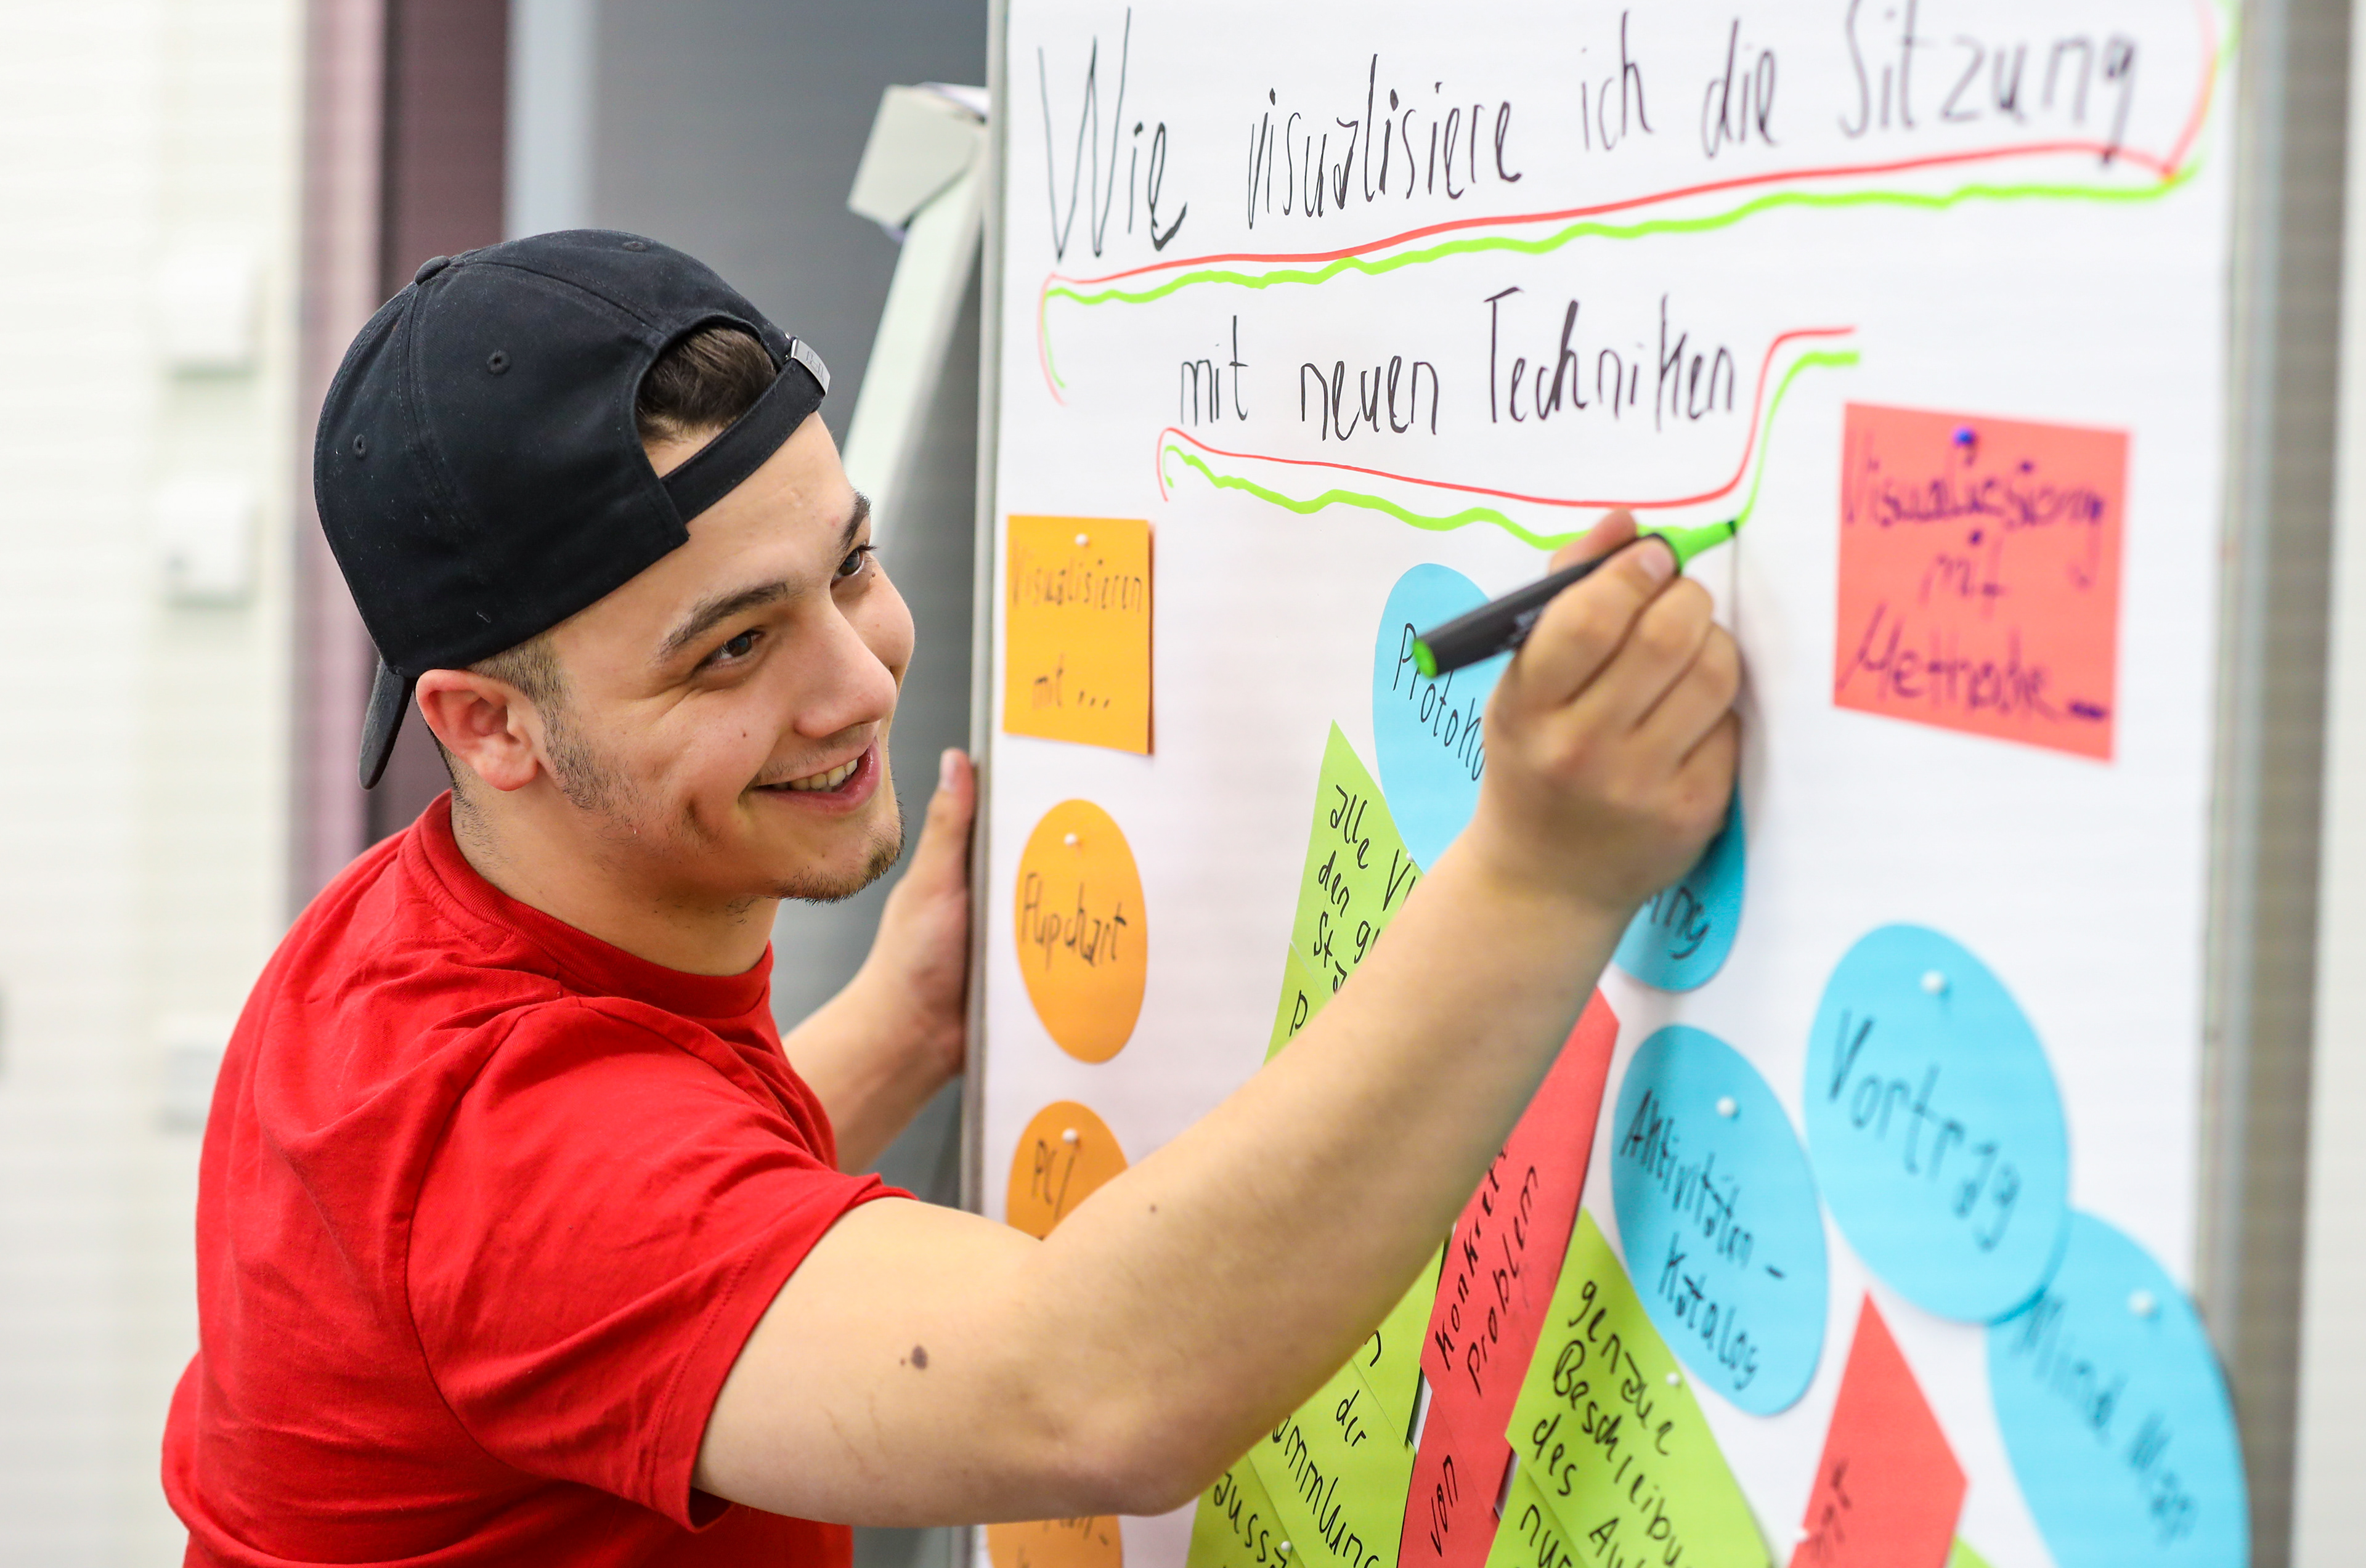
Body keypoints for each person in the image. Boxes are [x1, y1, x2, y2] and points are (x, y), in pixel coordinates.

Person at [162, 232, 1737, 1565]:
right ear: (488, 726)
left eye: (848, 566)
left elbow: (647, 1237)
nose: (860, 681)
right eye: (734, 647)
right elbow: (1092, 1391)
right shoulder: (497, 1137)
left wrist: (903, 1029)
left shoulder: (399, 937)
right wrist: (1539, 875)